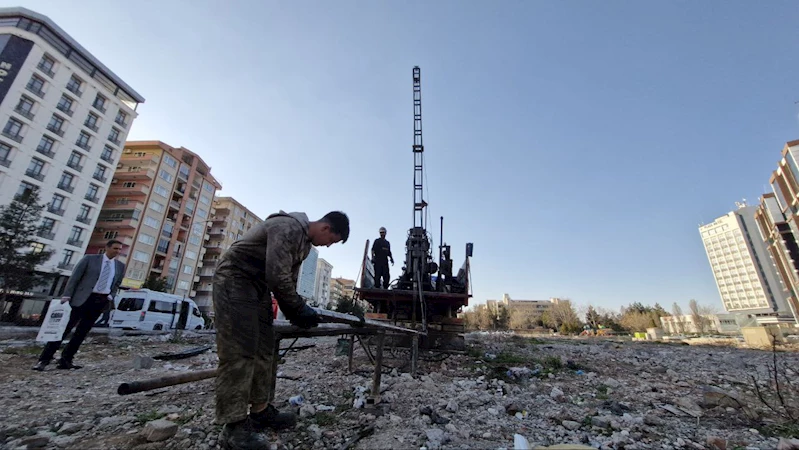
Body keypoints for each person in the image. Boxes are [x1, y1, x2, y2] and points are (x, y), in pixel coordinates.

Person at [213, 210, 349, 450]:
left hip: (258, 287)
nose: (328, 246)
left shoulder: (304, 246)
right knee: (240, 352)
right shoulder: (287, 227)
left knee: (265, 349)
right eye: (331, 241)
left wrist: (298, 311)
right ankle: (233, 427)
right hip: (235, 279)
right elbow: (277, 276)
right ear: (326, 228)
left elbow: (287, 280)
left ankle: (260, 410)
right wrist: (297, 308)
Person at [33, 240, 125, 371]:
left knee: (82, 332)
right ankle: (44, 360)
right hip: (82, 299)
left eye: (120, 249)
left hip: (100, 301)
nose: (118, 251)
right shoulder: (90, 259)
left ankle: (66, 360)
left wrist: (111, 295)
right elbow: (75, 277)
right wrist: (67, 295)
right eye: (115, 248)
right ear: (107, 248)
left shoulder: (119, 266)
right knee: (64, 329)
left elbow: (117, 283)